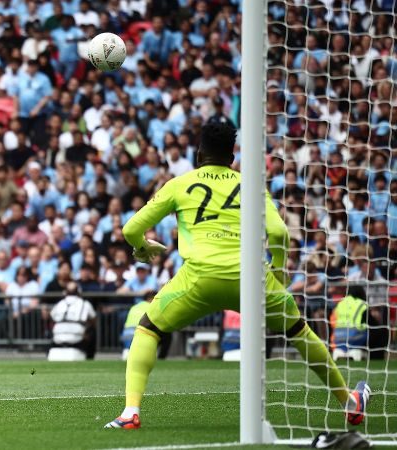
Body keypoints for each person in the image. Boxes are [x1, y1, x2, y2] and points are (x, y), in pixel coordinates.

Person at [105, 122, 370, 429]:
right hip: (252, 279)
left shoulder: (180, 184)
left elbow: (130, 229)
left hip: (198, 279)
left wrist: (142, 247)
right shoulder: (250, 184)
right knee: (299, 332)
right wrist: (280, 271)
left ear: (199, 152)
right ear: (232, 156)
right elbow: (278, 232)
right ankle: (349, 403)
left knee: (148, 330)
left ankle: (130, 413)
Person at [49, 282, 96, 359]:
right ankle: (90, 357)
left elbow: (51, 317)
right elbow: (94, 320)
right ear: (79, 292)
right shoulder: (85, 303)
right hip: (77, 337)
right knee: (92, 331)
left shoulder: (60, 303)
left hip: (57, 336)